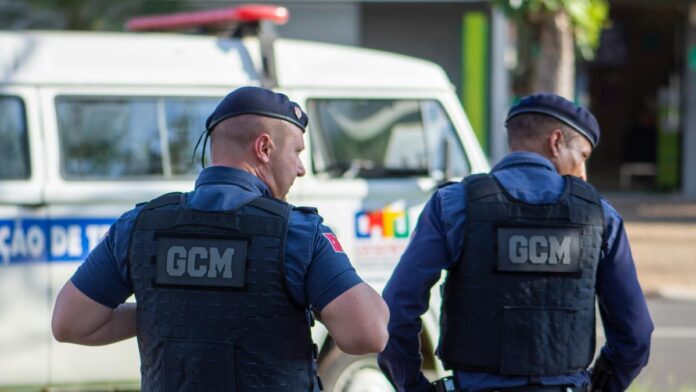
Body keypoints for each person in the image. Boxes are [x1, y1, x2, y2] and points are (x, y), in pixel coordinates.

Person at [52, 86, 390, 391]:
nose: (300, 169)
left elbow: (71, 323)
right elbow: (368, 334)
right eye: (297, 153)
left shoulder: (140, 225)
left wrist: (174, 312)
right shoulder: (296, 233)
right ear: (264, 147)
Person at [378, 93, 653, 392]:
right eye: (583, 156)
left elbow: (395, 311)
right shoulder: (599, 215)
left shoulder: (455, 205)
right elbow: (635, 335)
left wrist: (415, 387)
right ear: (556, 141)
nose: (583, 174)